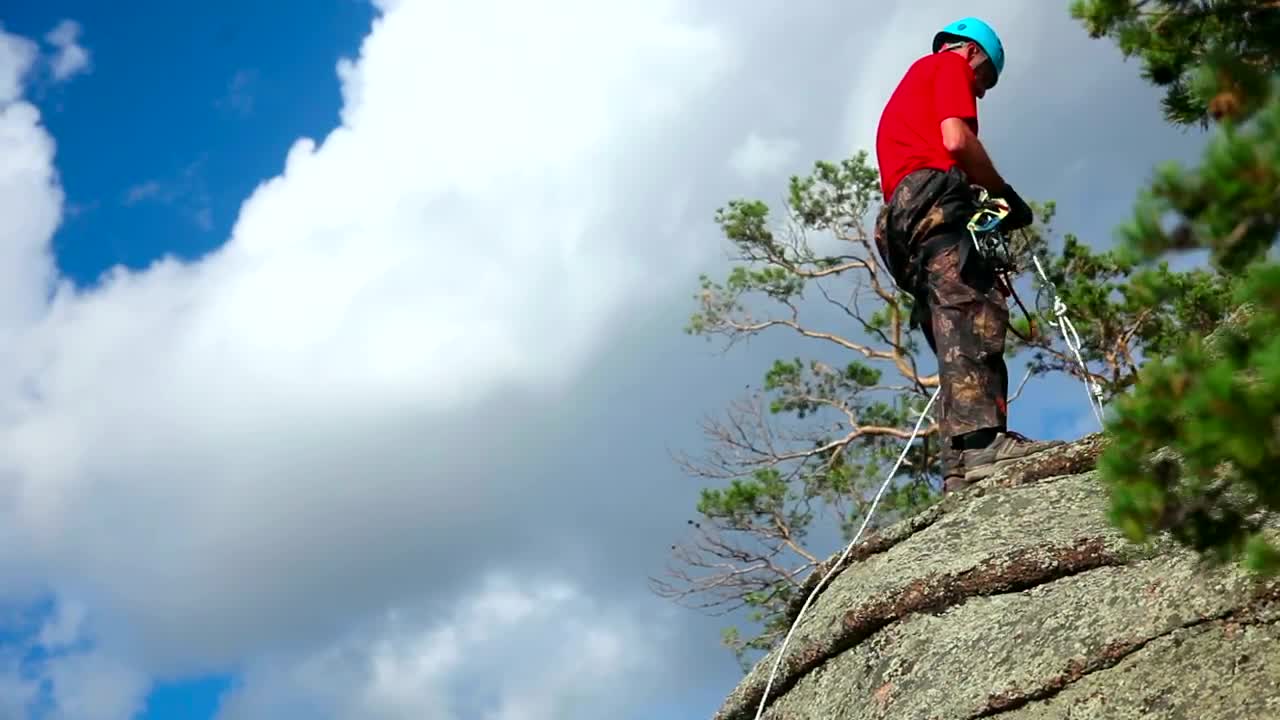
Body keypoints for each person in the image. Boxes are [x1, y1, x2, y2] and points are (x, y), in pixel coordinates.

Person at [872, 17, 1063, 492]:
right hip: (932, 200)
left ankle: (957, 466)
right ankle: (983, 444)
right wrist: (1004, 193)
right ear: (974, 54)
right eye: (985, 81)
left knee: (948, 320)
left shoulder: (912, 88)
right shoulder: (948, 67)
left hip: (902, 220)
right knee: (971, 307)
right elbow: (957, 140)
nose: (980, 92)